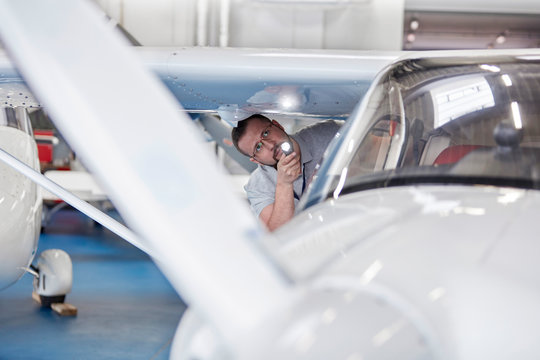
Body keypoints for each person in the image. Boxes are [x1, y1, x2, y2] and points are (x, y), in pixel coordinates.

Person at [231, 114, 342, 231]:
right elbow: (277, 233)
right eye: (258, 147)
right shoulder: (257, 186)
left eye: (266, 133)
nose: (270, 145)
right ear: (257, 161)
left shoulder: (329, 134)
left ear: (278, 125)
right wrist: (284, 184)